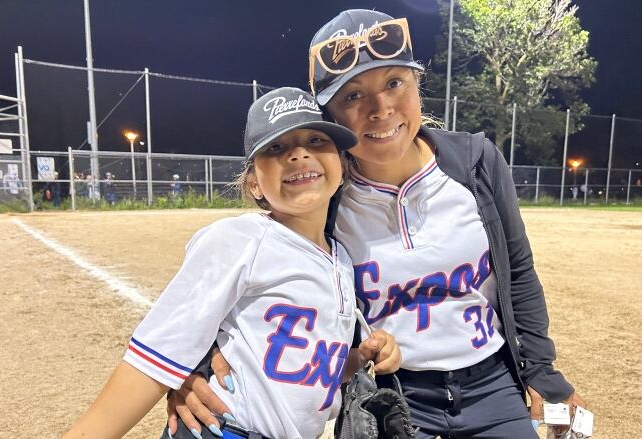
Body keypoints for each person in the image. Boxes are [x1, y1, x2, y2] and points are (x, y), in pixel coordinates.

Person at [173, 9, 586, 439]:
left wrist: (540, 370)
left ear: (417, 85)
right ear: (329, 117)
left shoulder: (475, 163)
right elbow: (251, 275)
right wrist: (194, 362)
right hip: (387, 393)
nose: (381, 109)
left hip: (493, 388)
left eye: (394, 83)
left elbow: (517, 270)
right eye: (352, 96)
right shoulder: (324, 194)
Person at [64, 87, 400, 439]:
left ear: (342, 167)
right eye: (276, 148)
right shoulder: (240, 239)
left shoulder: (342, 259)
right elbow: (155, 357)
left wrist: (359, 359)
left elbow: (306, 368)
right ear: (254, 183)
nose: (299, 155)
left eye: (316, 141)